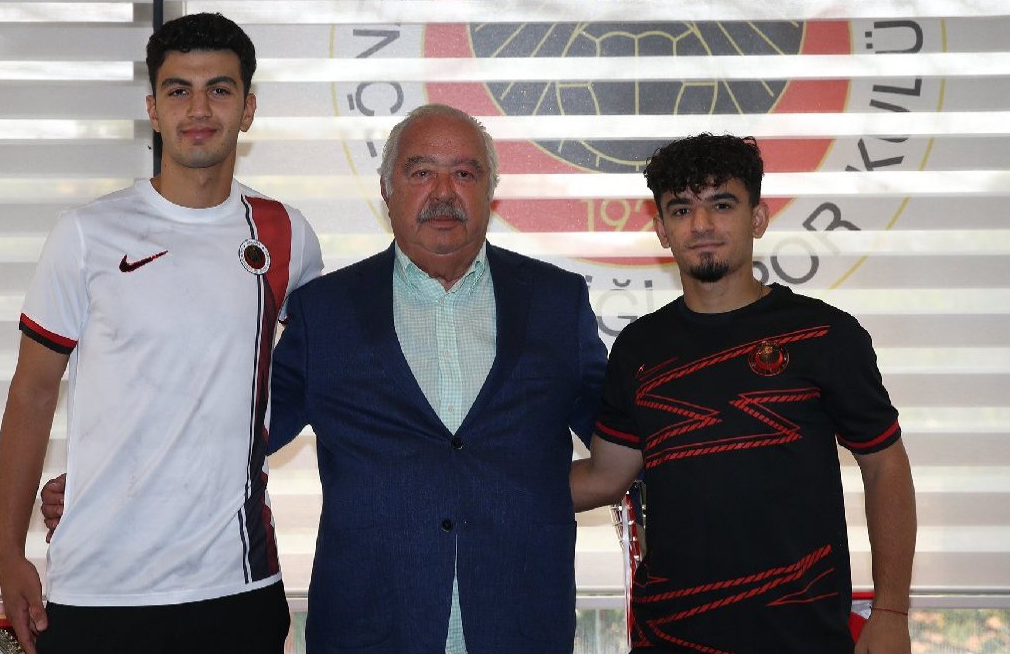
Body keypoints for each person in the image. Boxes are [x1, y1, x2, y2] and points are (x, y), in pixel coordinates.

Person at [40, 103, 607, 653]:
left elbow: (621, 444)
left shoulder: (556, 303)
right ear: (386, 190)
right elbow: (231, 435)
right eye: (420, 173)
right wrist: (111, 483)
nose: (442, 192)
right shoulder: (328, 312)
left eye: (464, 173)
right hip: (371, 630)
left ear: (491, 191)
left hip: (522, 624)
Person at [0, 13, 322, 654]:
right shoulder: (86, 233)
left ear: (248, 109)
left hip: (237, 584)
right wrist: (9, 551)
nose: (199, 109)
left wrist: (226, 454)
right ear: (152, 109)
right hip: (98, 590)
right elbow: (32, 393)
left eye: (219, 89)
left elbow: (316, 378)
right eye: (179, 90)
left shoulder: (285, 233)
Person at [569, 134, 916, 653]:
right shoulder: (639, 347)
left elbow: (885, 466)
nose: (701, 225)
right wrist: (478, 488)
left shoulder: (824, 335)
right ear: (661, 230)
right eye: (681, 209)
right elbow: (604, 476)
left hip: (802, 640)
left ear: (758, 218)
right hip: (670, 639)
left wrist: (890, 611)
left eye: (722, 205)